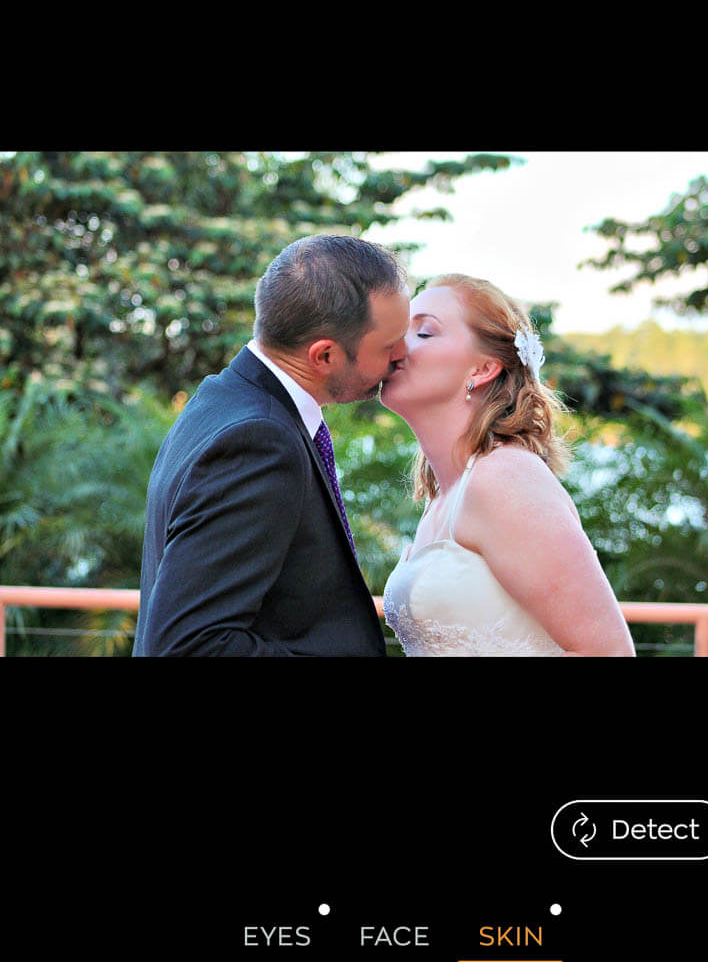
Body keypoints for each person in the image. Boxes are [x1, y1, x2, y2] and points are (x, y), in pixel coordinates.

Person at [133, 235, 409, 656]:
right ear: (324, 356)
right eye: (389, 345)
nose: (403, 354)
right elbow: (188, 647)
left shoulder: (221, 398)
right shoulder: (261, 442)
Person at [380, 275, 635, 657]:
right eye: (401, 330)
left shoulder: (503, 477)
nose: (397, 345)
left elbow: (609, 652)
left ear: (483, 369)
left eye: (425, 333)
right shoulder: (444, 496)